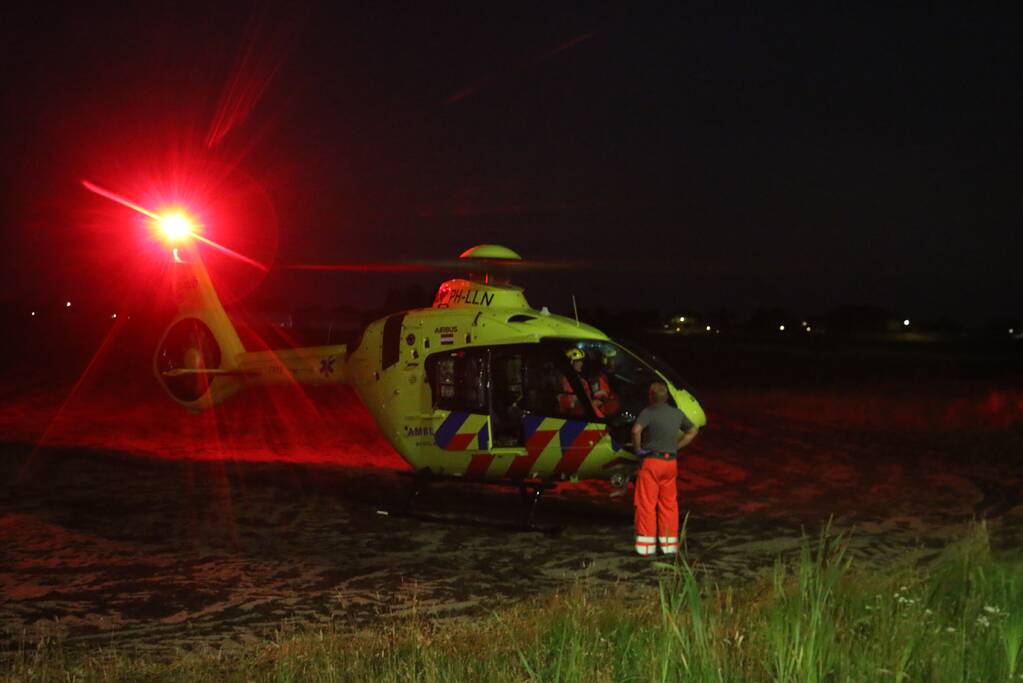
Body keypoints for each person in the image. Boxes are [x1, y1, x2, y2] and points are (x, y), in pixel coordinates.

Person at [630, 382, 698, 556]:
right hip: (670, 463)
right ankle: (669, 546)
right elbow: (692, 430)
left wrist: (638, 450)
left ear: (651, 396)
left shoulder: (648, 412)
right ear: (667, 397)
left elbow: (636, 430)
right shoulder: (677, 413)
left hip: (652, 462)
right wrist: (677, 446)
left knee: (646, 504)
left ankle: (646, 547)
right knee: (669, 504)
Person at [558, 347, 602, 417]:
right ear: (571, 363)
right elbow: (573, 402)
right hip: (579, 416)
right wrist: (592, 403)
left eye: (582, 361)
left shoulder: (577, 378)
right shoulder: (569, 380)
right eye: (578, 361)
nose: (581, 364)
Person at [589, 347, 621, 416]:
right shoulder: (598, 377)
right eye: (611, 359)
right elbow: (598, 400)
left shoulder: (611, 375)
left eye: (614, 359)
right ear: (605, 360)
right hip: (605, 413)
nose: (614, 362)